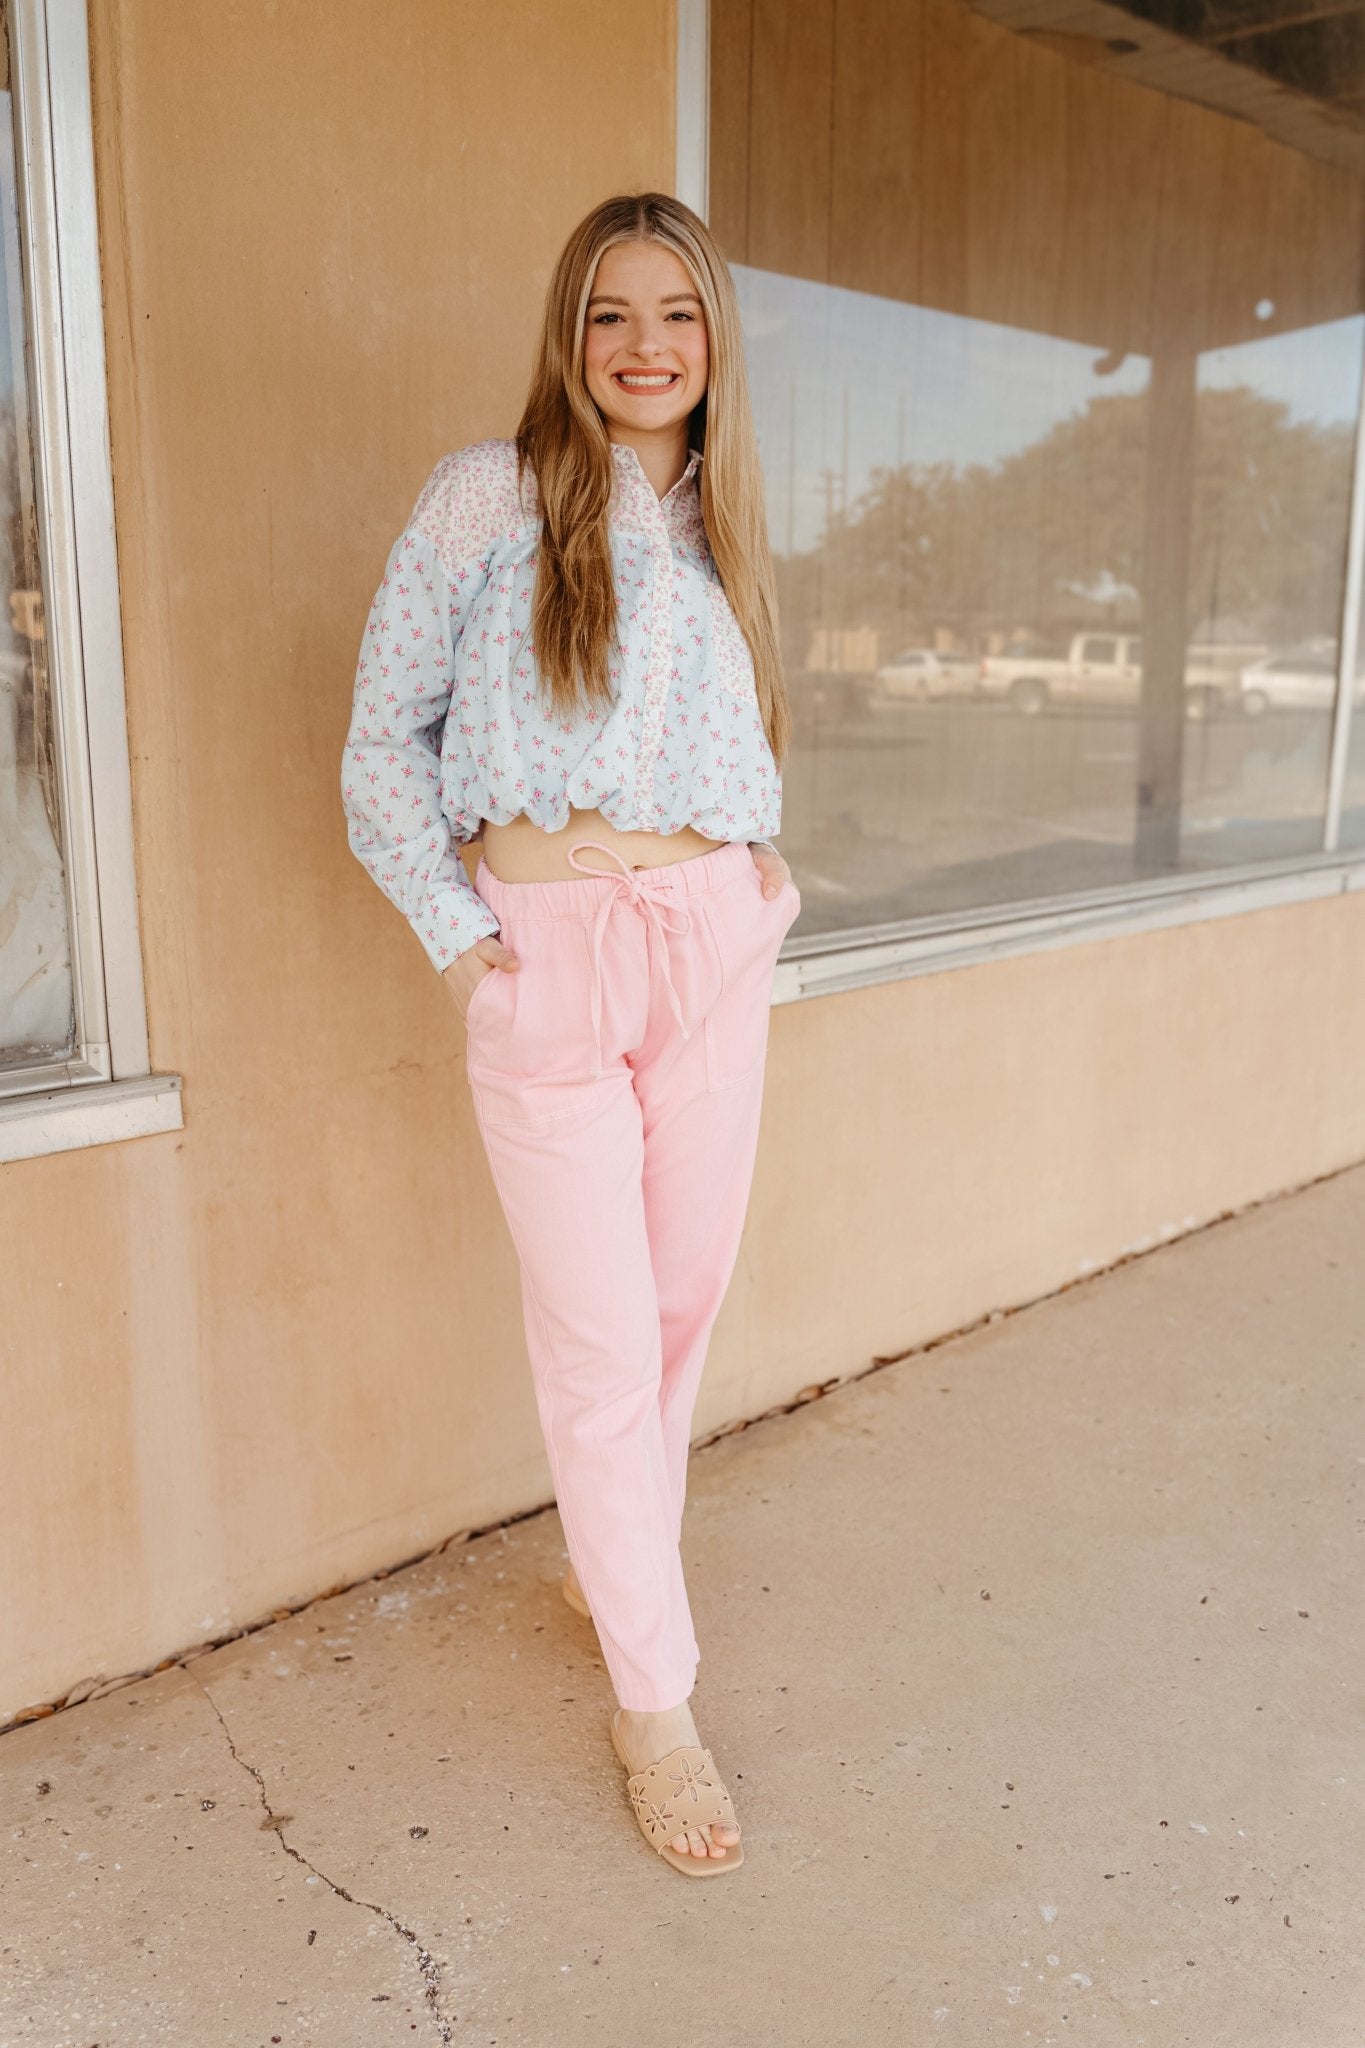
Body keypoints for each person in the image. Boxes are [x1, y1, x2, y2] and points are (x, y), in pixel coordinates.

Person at [341, 191, 799, 1877]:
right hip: (547, 954)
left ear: (711, 338)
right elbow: (382, 748)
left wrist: (758, 889)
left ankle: (612, 1562)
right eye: (609, 314)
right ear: (569, 330)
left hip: (708, 949)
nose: (642, 348)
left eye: (673, 314)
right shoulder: (490, 495)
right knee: (602, 1339)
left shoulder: (724, 524)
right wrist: (475, 957)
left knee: (680, 1305)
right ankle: (653, 1704)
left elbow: (734, 742)